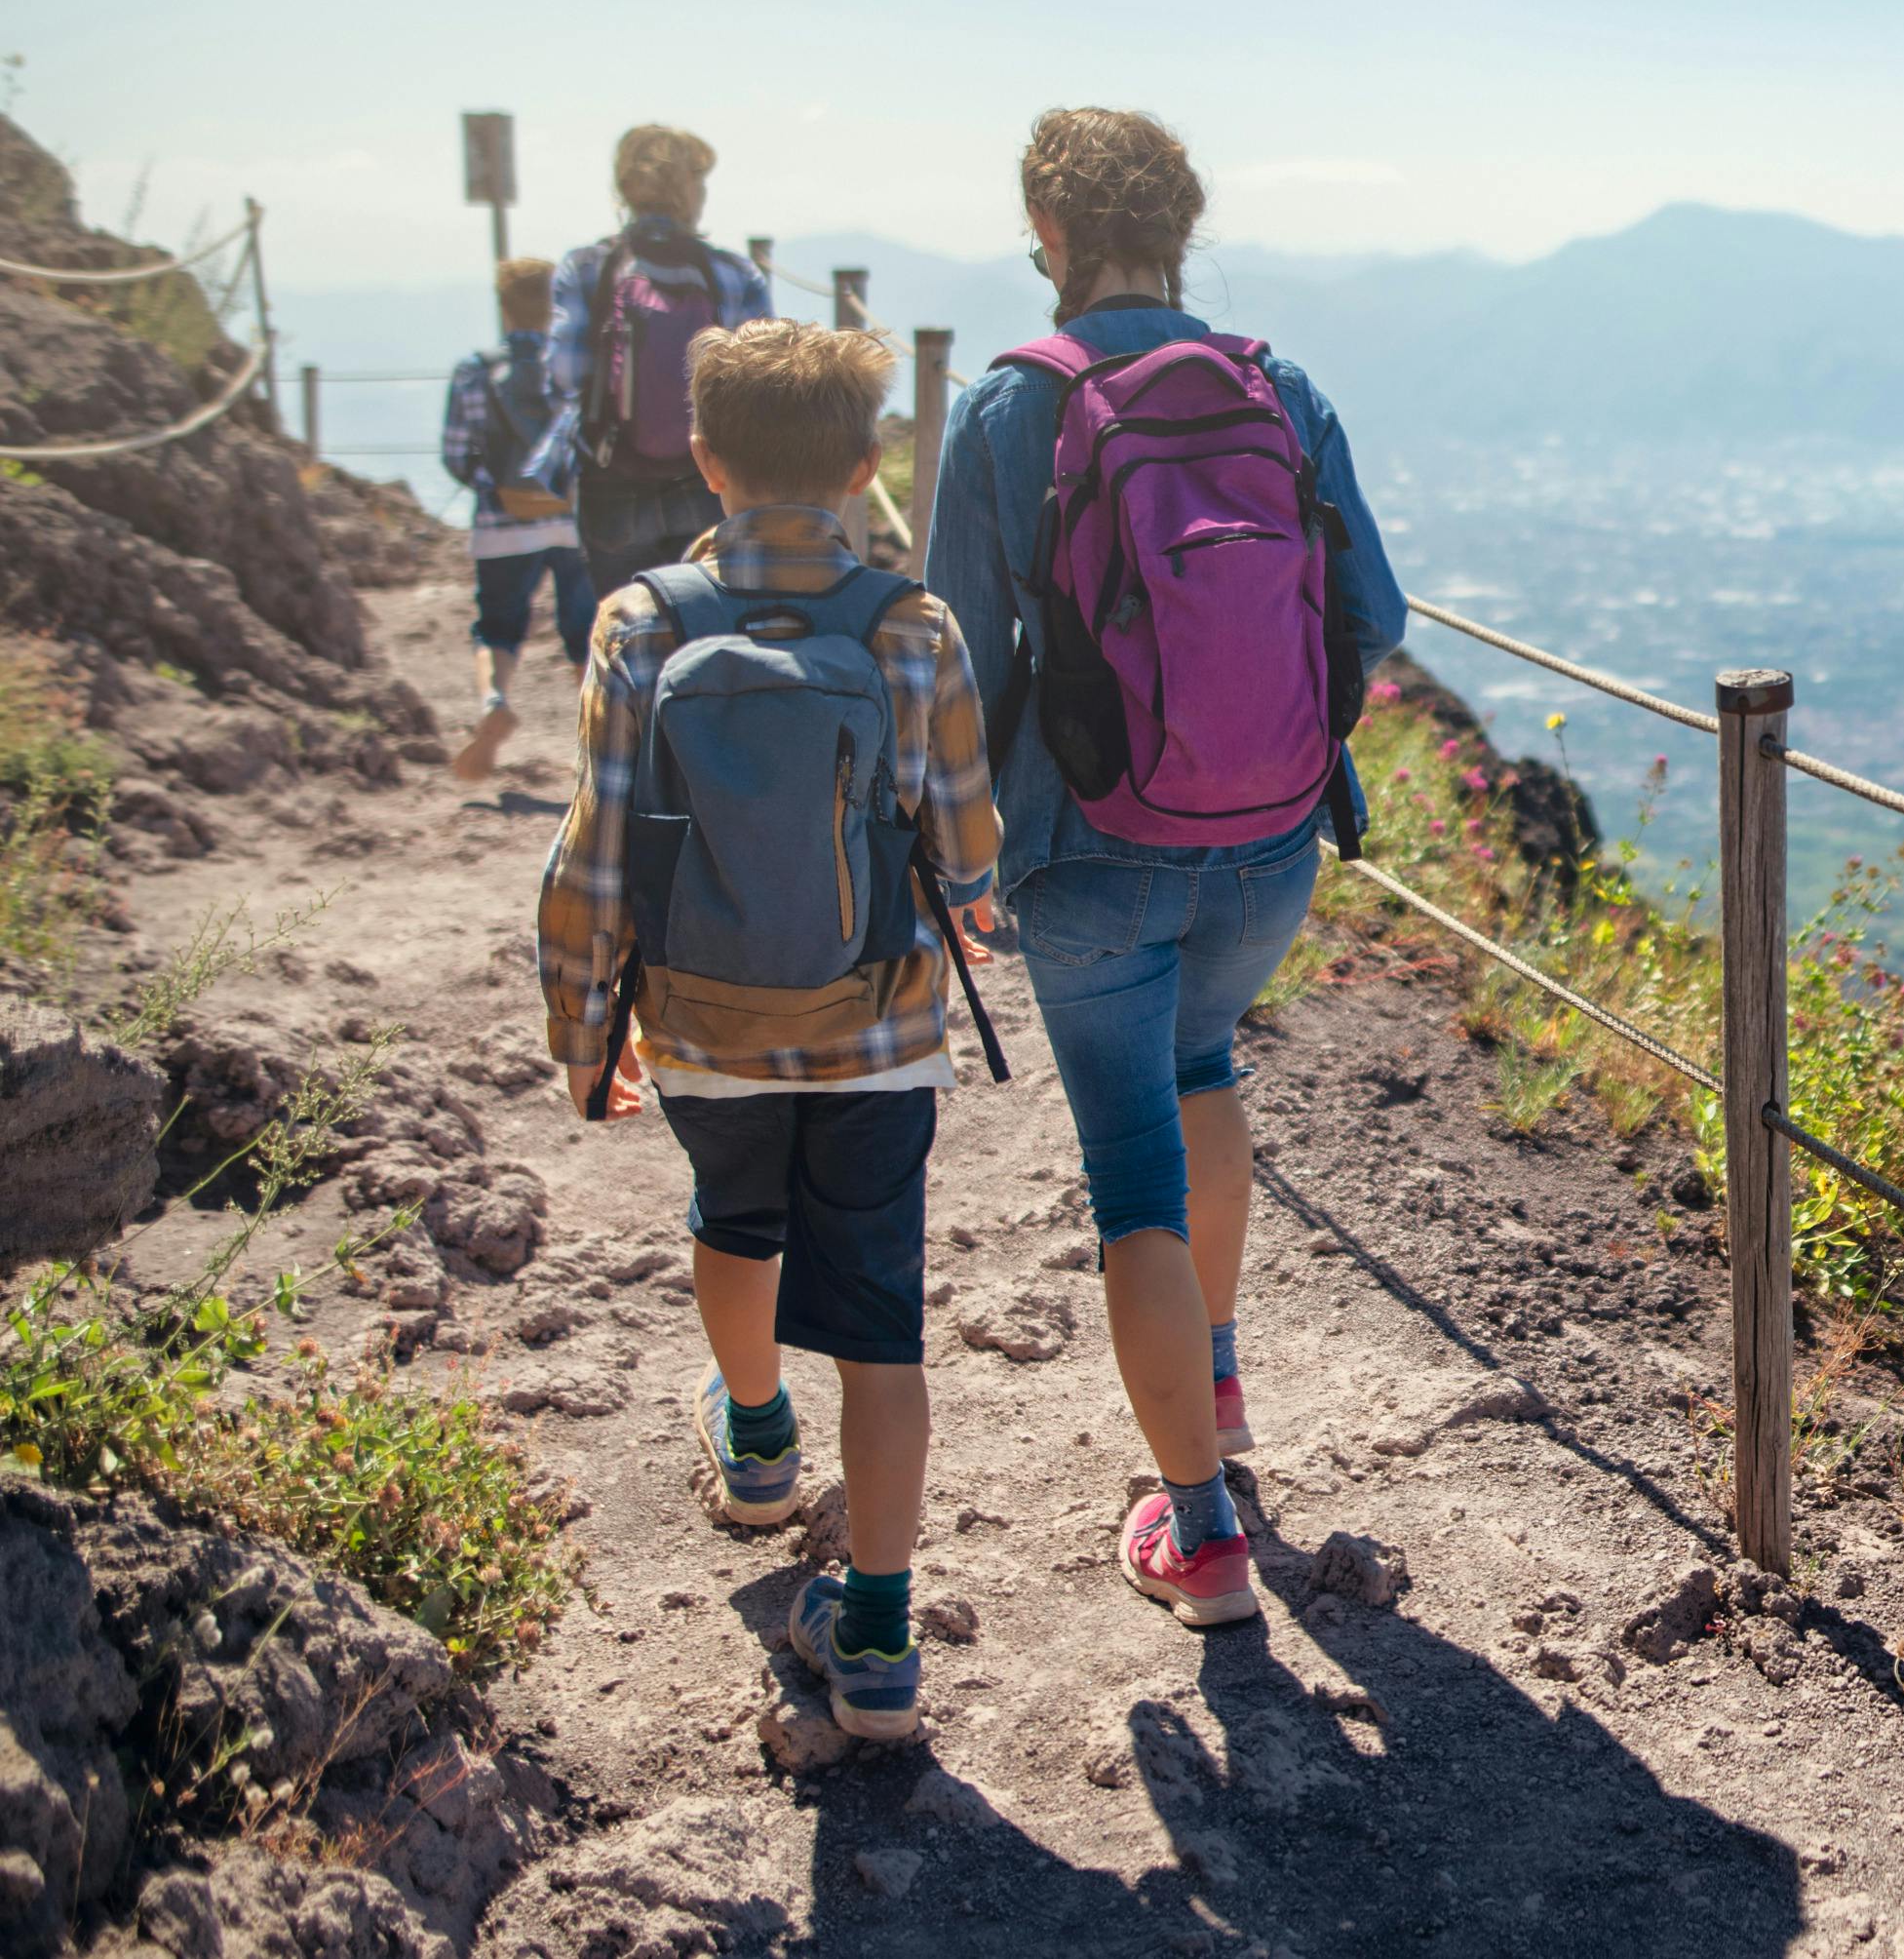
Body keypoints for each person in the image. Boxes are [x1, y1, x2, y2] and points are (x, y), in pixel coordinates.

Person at [925, 107, 1404, 1630]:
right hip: (1270, 847)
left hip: (1091, 850)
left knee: (1130, 1167)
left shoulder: (1010, 408)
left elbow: (947, 660)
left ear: (1047, 234)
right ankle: (1217, 1379)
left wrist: (960, 847)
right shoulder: (1279, 384)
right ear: (1183, 227)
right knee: (1206, 1068)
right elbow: (1375, 615)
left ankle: (1199, 1537)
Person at [538, 317, 1003, 1742]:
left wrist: (583, 1024)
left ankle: (752, 1442)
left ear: (703, 453)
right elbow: (972, 851)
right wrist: (964, 908)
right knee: (879, 1318)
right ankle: (874, 1636)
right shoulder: (911, 627)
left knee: (732, 1216)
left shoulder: (641, 620)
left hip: (701, 1018)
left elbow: (595, 852)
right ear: (869, 461)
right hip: (877, 1031)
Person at [519, 122, 773, 596]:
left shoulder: (587, 269)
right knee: (709, 629)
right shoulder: (732, 273)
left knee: (625, 630)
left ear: (626, 189)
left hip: (613, 482)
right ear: (689, 191)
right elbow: (763, 384)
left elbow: (564, 375)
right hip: (708, 482)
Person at [438, 256, 594, 783]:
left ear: (503, 307)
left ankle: (494, 702)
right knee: (586, 634)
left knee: (496, 627)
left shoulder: (474, 371)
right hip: (573, 522)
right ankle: (597, 739)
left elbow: (457, 454)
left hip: (501, 521)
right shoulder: (575, 368)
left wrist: (494, 489)